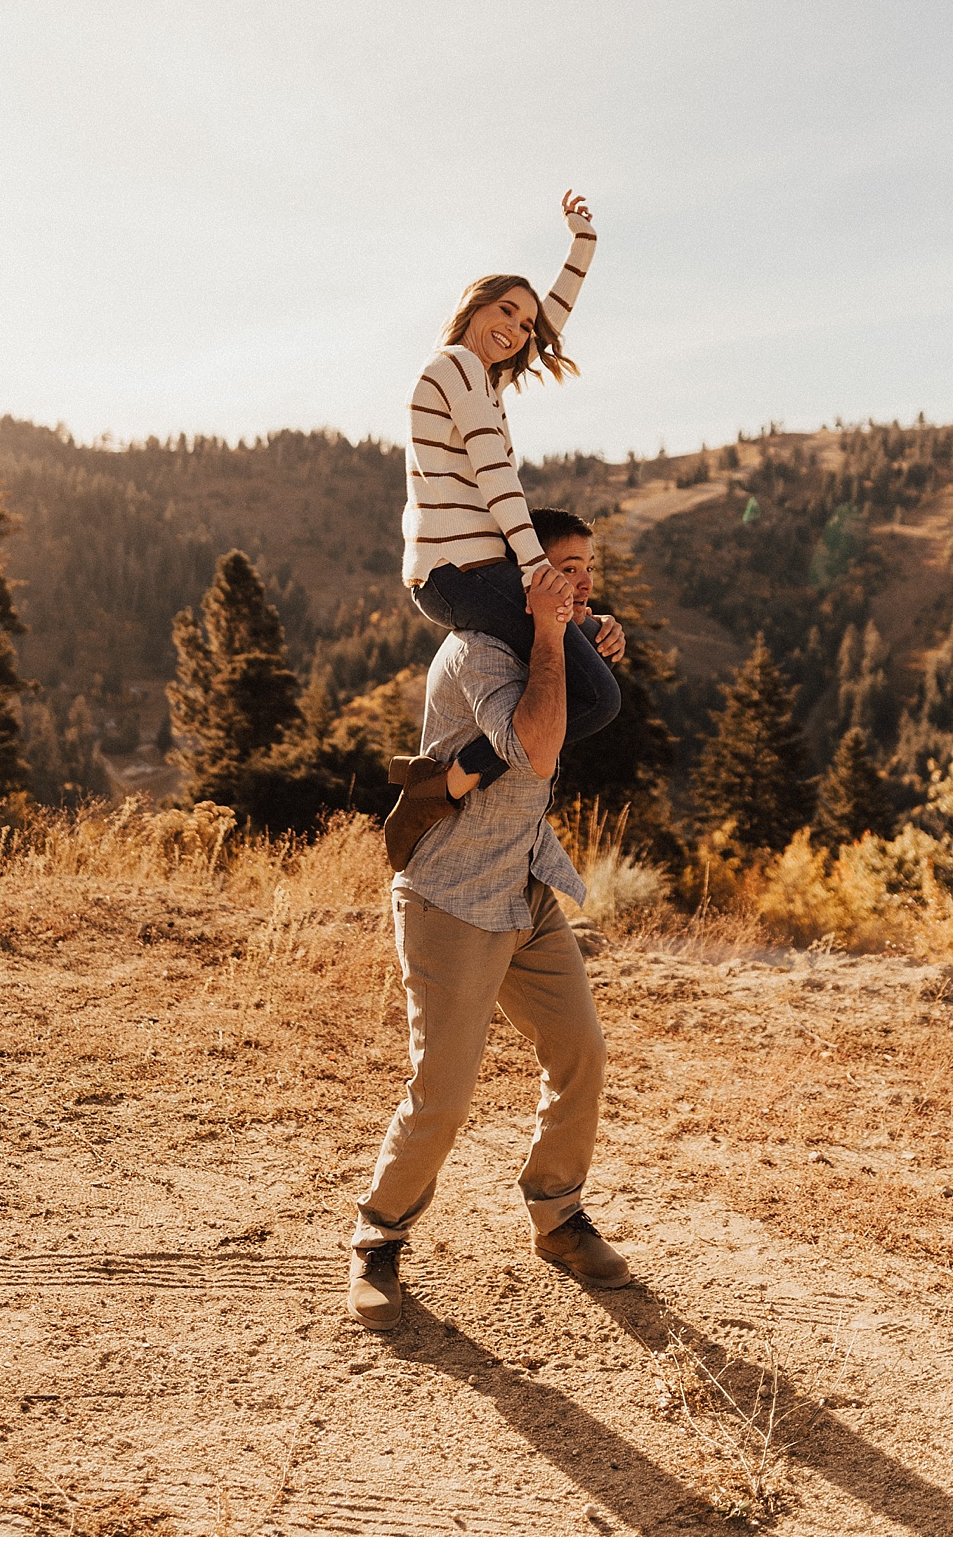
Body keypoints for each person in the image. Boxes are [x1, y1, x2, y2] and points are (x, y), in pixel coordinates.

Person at [350, 552, 632, 1331]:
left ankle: (558, 1217)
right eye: (566, 569)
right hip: (452, 898)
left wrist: (588, 634)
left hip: (524, 885)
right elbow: (536, 747)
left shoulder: (554, 637)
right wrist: (556, 633)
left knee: (580, 1051)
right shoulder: (477, 648)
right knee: (443, 1087)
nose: (581, 585)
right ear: (525, 580)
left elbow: (586, 705)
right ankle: (378, 1238)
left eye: (589, 572)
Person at [400, 191, 622, 816]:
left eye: (526, 324)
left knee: (586, 676)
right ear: (475, 306)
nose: (518, 329)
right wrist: (535, 570)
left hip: (476, 571)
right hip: (460, 574)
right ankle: (441, 786)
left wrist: (582, 247)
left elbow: (550, 321)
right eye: (506, 310)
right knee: (597, 700)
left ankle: (450, 778)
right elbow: (496, 474)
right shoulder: (455, 367)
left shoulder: (482, 377)